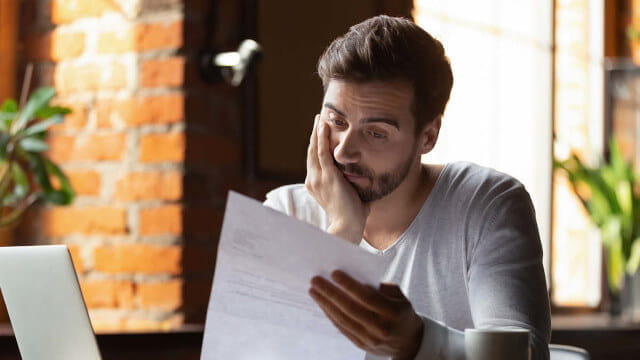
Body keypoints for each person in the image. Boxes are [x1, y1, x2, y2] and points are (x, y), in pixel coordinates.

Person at [263, 15, 550, 360]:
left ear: (427, 137)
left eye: (376, 133)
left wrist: (419, 342)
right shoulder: (285, 212)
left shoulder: (487, 203)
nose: (342, 150)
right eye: (336, 121)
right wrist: (343, 232)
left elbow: (523, 353)